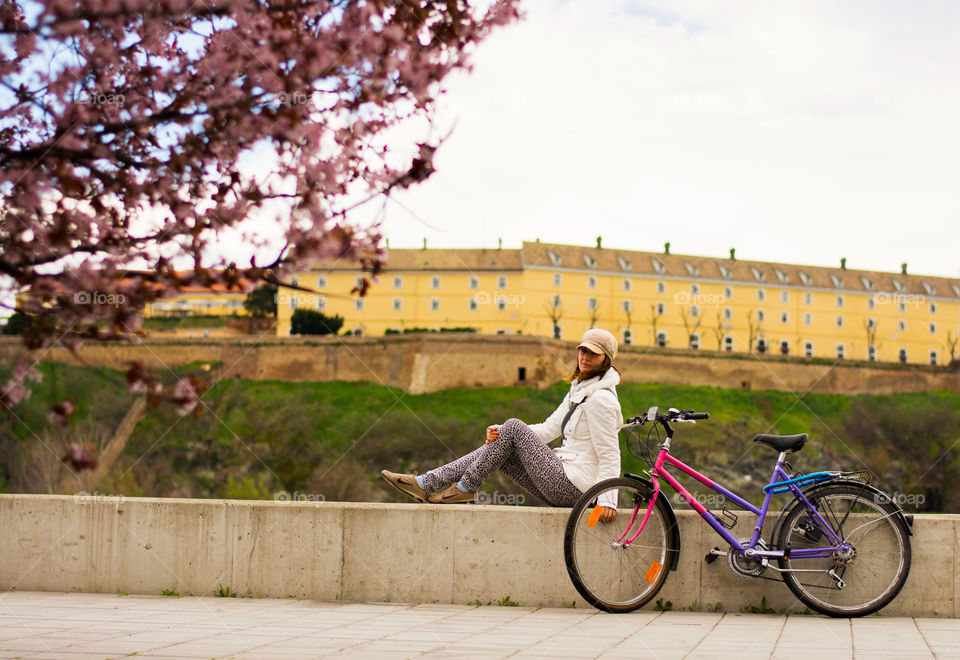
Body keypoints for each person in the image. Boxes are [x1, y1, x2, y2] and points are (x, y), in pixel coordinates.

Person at [381, 328, 623, 520]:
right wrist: (503, 431)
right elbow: (549, 429)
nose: (585, 357)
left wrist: (608, 500)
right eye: (582, 351)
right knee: (505, 439)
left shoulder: (601, 399)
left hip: (575, 488)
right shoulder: (580, 391)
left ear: (606, 360)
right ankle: (426, 483)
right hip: (561, 480)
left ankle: (464, 486)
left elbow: (610, 453)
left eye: (593, 353)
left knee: (515, 426)